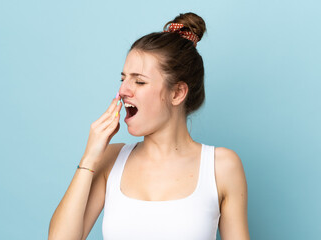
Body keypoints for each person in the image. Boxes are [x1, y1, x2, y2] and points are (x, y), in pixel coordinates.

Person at [48, 12, 250, 240]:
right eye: (122, 79)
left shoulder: (221, 166)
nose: (123, 91)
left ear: (177, 93)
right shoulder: (111, 159)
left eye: (139, 81)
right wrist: (89, 159)